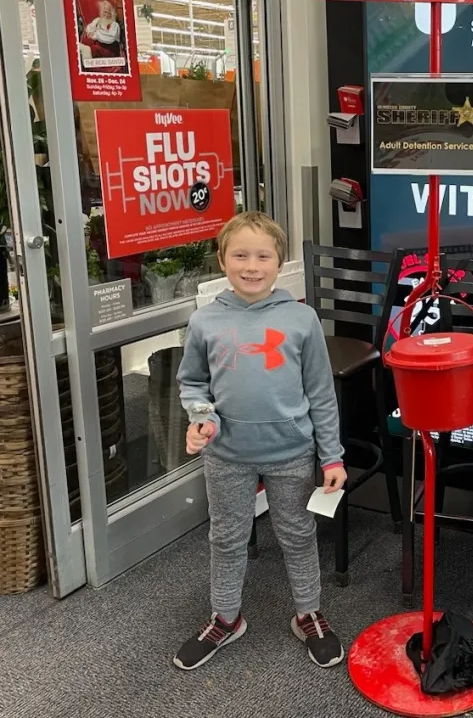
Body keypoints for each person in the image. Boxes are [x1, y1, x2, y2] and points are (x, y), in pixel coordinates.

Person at [173, 211, 348, 671]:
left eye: (263, 256)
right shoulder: (204, 322)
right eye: (240, 255)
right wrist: (199, 418)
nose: (251, 266)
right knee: (226, 537)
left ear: (279, 262)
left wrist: (332, 456)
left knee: (297, 533)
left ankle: (308, 612)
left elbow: (321, 394)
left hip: (291, 452)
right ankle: (226, 618)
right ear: (222, 259)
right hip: (226, 455)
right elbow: (193, 384)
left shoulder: (302, 319)